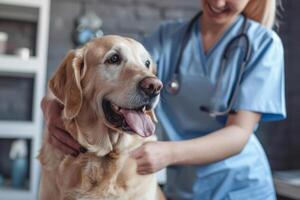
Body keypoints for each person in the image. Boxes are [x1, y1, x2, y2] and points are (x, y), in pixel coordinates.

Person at [41, 0, 286, 199]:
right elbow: (109, 72)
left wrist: (168, 153)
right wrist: (51, 106)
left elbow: (239, 134)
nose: (218, 2)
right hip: (184, 188)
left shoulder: (264, 44)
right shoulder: (170, 37)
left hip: (241, 187)